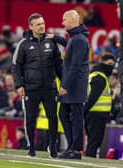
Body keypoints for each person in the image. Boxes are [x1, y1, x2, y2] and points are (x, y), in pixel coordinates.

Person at [12, 13, 63, 157]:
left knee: (53, 118)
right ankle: (31, 148)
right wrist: (18, 85)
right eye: (38, 24)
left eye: (43, 23)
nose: (42, 26)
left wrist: (63, 83)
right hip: (30, 88)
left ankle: (53, 147)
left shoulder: (51, 41)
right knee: (30, 119)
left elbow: (59, 64)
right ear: (31, 27)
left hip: (49, 87)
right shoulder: (23, 44)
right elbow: (16, 66)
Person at [57, 10, 89, 159]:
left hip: (75, 85)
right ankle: (72, 147)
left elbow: (75, 65)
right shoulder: (75, 38)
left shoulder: (79, 40)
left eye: (64, 20)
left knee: (76, 117)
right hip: (73, 84)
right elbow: (70, 47)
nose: (62, 23)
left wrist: (65, 85)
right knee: (63, 113)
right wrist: (56, 38)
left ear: (73, 20)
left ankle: (76, 150)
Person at [84, 53, 115, 158]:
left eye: (113, 64)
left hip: (95, 114)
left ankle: (89, 159)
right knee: (94, 142)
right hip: (96, 115)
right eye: (109, 63)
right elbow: (92, 98)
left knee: (93, 141)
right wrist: (83, 111)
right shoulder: (99, 77)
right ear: (102, 62)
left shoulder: (95, 75)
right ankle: (89, 161)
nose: (111, 66)